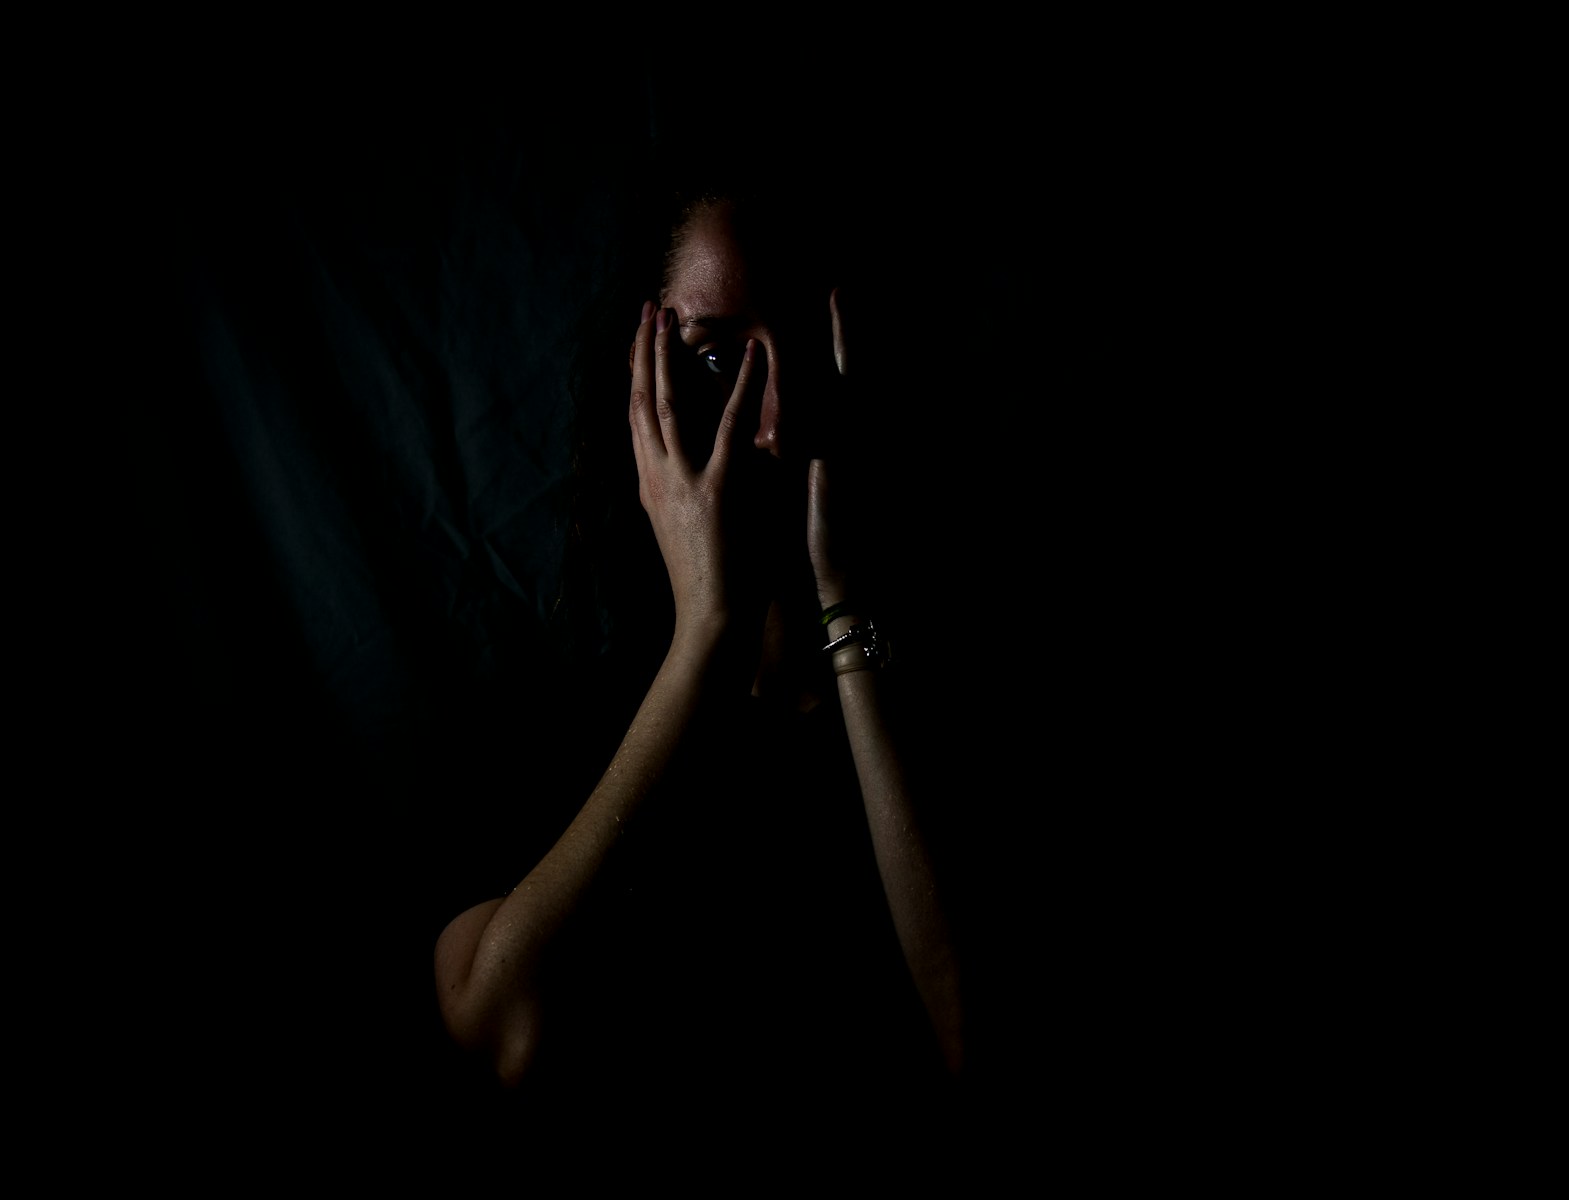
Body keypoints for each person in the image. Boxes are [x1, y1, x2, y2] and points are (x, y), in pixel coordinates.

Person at [433, 184, 964, 1133]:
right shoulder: (559, 724)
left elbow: (976, 1054)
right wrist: (708, 637)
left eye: (807, 354)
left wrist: (843, 596)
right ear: (639, 396)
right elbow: (498, 1031)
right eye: (715, 358)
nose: (770, 423)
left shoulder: (943, 707)